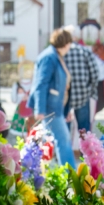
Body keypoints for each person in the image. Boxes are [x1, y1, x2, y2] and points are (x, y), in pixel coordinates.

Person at [29, 28, 75, 169]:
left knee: (53, 141)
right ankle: (70, 175)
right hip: (50, 108)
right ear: (65, 43)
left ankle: (42, 171)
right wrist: (40, 109)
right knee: (63, 140)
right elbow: (41, 84)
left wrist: (67, 110)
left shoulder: (55, 56)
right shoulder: (49, 57)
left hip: (55, 108)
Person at [63, 25, 99, 134]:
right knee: (84, 131)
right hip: (83, 96)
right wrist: (91, 91)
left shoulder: (61, 53)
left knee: (64, 130)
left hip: (64, 97)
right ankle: (85, 146)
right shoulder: (85, 52)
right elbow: (95, 74)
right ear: (77, 37)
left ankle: (65, 146)